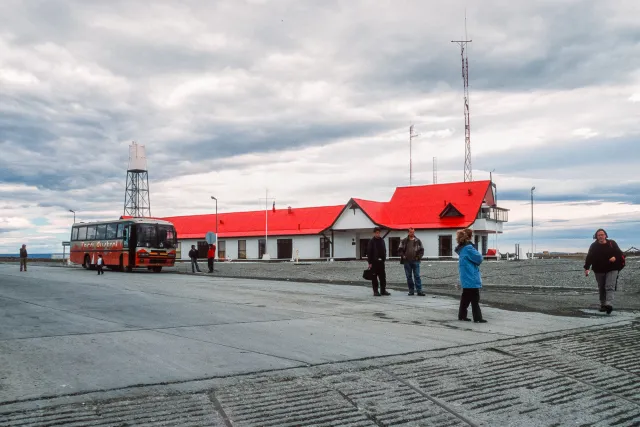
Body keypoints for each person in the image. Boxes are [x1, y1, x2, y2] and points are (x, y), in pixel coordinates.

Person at [584, 229, 624, 314]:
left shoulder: (612, 243)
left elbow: (620, 253)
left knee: (609, 286)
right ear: (596, 236)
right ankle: (603, 304)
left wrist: (615, 257)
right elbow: (589, 257)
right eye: (599, 235)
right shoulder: (594, 246)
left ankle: (608, 305)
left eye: (602, 234)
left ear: (605, 235)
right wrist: (587, 268)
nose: (601, 236)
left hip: (612, 268)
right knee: (601, 287)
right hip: (599, 269)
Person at [455, 228, 486, 323]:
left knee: (465, 297)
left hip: (465, 276)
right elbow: (479, 258)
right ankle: (477, 317)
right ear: (469, 237)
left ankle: (462, 315)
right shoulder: (468, 248)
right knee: (475, 298)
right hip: (471, 276)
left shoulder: (461, 248)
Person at [398, 227, 425, 296]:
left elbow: (422, 250)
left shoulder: (418, 241)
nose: (412, 233)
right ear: (408, 232)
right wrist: (403, 256)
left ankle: (419, 291)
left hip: (416, 261)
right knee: (409, 276)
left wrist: (418, 257)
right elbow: (399, 250)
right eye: (410, 232)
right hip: (407, 261)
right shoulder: (404, 241)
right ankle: (411, 290)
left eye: (413, 232)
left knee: (417, 276)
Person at [367, 227, 390, 296]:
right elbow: (369, 252)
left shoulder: (382, 240)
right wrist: (370, 262)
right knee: (374, 277)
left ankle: (383, 290)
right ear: (374, 233)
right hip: (374, 262)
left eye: (379, 233)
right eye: (376, 233)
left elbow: (384, 250)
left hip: (381, 262)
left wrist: (384, 259)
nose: (378, 234)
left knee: (383, 277)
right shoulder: (371, 241)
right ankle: (375, 291)